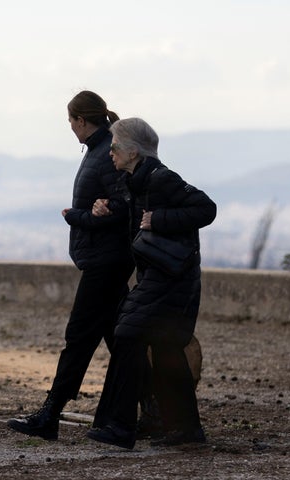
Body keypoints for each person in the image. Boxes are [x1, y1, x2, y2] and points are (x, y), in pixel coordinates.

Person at [6, 91, 135, 440]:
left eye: (70, 122)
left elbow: (124, 205)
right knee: (122, 340)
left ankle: (50, 414)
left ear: (80, 120)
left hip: (105, 262)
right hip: (106, 259)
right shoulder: (100, 149)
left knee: (78, 338)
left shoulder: (106, 152)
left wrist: (79, 217)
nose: (71, 128)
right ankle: (152, 411)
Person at [86, 117, 216, 449]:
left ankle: (122, 426)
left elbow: (205, 208)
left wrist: (159, 220)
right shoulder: (137, 181)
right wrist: (104, 206)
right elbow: (132, 218)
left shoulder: (161, 178)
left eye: (114, 147)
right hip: (162, 278)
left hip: (171, 281)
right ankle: (186, 429)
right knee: (167, 349)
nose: (110, 153)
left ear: (132, 152)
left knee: (127, 335)